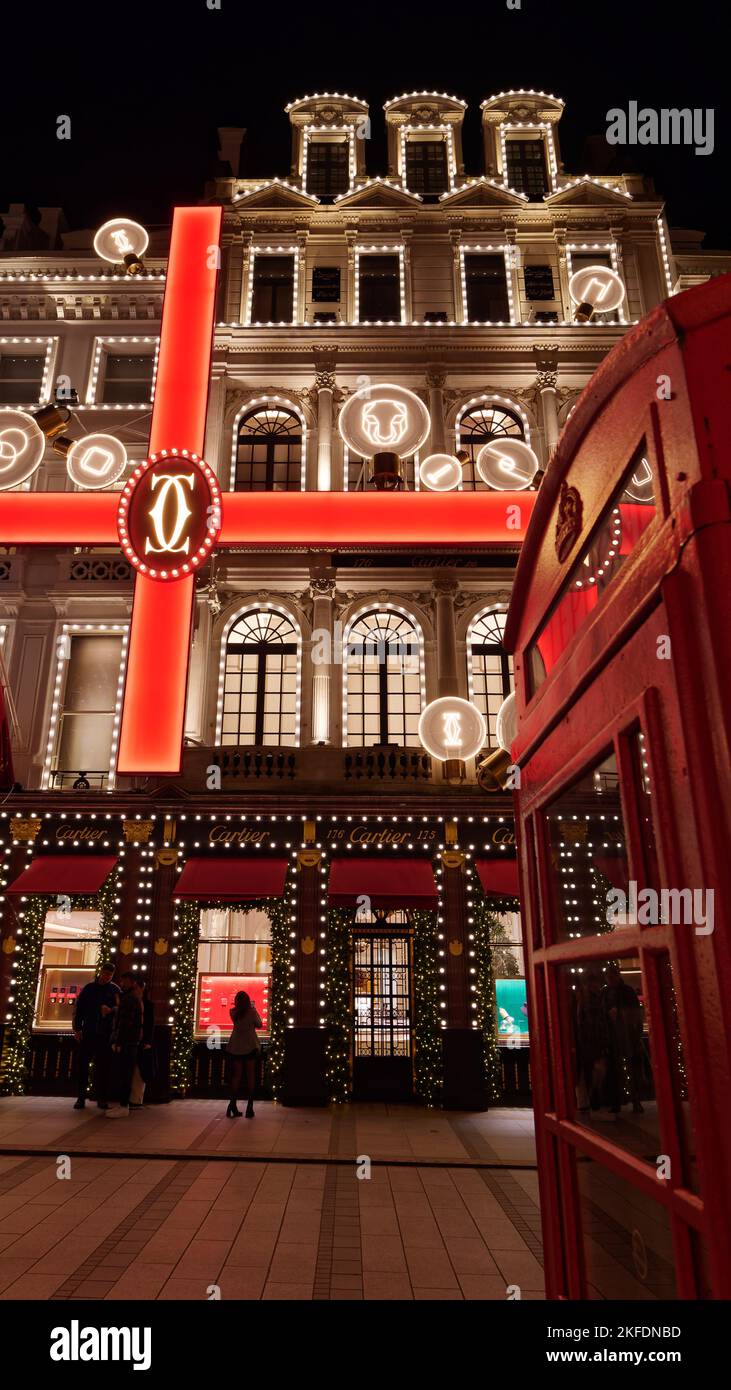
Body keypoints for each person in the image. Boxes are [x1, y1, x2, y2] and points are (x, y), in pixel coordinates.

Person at [72, 963, 120, 1110]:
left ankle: (102, 1098)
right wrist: (77, 1029)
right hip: (89, 1032)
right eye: (105, 974)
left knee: (103, 1068)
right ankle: (81, 1098)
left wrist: (111, 1010)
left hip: (105, 1035)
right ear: (101, 972)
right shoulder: (89, 989)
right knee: (83, 1066)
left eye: (110, 975)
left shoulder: (115, 990)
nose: (106, 977)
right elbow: (79, 1009)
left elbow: (122, 1008)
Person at [602, 964, 646, 1115]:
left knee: (632, 1071)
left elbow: (636, 1015)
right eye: (608, 976)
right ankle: (618, 1102)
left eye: (611, 976)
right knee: (616, 1071)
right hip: (614, 1037)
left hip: (628, 1035)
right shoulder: (607, 992)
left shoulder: (625, 991)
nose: (610, 979)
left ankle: (635, 1100)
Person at [106, 971, 143, 1118]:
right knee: (124, 1074)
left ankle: (123, 1106)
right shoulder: (132, 998)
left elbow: (125, 1023)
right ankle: (122, 1105)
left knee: (125, 1074)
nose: (122, 984)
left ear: (132, 982)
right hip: (130, 1042)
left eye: (125, 981)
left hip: (127, 1043)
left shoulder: (129, 999)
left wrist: (119, 1041)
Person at [226, 991, 262, 1118]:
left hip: (236, 1047)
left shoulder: (233, 1012)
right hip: (250, 1046)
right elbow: (259, 1024)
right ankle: (249, 1108)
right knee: (250, 1076)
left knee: (237, 1076)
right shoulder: (251, 1012)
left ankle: (231, 1105)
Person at [129, 981, 155, 1109]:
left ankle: (136, 1099)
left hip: (141, 1041)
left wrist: (148, 1041)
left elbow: (150, 1024)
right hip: (132, 1040)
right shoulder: (131, 1002)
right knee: (132, 1070)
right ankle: (133, 1099)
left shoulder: (147, 1005)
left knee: (139, 1071)